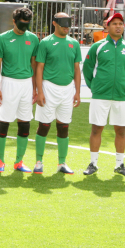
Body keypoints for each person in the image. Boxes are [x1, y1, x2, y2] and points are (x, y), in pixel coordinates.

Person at [82, 13, 125, 177]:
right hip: (100, 96)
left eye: (120, 24)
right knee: (97, 129)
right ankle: (93, 164)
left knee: (121, 131)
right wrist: (95, 87)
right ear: (107, 26)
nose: (118, 26)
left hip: (120, 96)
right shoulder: (97, 47)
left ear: (123, 27)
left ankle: (120, 165)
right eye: (114, 24)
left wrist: (123, 84)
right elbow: (87, 69)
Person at [32, 13, 82, 175]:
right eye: (63, 23)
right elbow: (39, 68)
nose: (66, 27)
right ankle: (39, 161)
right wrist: (39, 91)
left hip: (67, 90)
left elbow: (76, 69)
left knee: (64, 126)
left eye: (69, 23)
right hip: (49, 88)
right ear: (54, 23)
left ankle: (62, 163)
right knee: (44, 125)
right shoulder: (45, 43)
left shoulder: (74, 44)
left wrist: (77, 92)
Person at [0, 7, 39, 174]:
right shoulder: (3, 39)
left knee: (25, 122)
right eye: (21, 23)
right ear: (14, 21)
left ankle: (19, 161)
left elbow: (33, 64)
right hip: (8, 82)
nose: (24, 26)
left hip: (26, 84)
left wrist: (35, 88)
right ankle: (0, 160)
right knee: (3, 122)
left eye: (27, 23)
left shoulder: (33, 39)